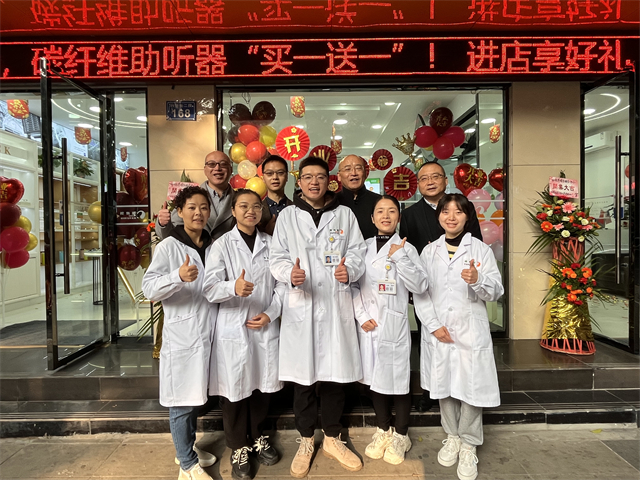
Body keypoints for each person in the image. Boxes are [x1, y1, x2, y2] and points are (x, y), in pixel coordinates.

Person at [269, 156, 367, 478]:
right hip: (303, 305)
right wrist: (289, 273)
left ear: (329, 181)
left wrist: (350, 270)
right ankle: (307, 439)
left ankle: (333, 438)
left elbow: (357, 252)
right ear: (299, 182)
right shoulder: (287, 216)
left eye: (320, 177)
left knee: (335, 378)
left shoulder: (345, 214)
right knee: (304, 380)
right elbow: (277, 257)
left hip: (335, 305)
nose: (314, 182)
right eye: (308, 177)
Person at [414, 193, 503, 480]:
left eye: (458, 212)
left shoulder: (481, 250)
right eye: (445, 211)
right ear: (438, 216)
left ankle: (469, 444)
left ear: (467, 217)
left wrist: (478, 280)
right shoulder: (429, 252)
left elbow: (496, 291)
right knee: (444, 385)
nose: (451, 217)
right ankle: (452, 436)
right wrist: (432, 325)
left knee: (471, 387)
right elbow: (420, 293)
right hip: (439, 330)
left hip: (469, 330)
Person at [203, 189, 285, 480]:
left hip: (263, 325)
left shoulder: (272, 244)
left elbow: (282, 286)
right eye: (244, 206)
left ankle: (258, 437)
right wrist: (232, 288)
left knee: (262, 387)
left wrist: (271, 313)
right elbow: (209, 288)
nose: (251, 211)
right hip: (233, 327)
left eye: (256, 207)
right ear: (233, 211)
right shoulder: (222, 245)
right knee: (235, 391)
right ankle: (238, 446)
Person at [142, 186, 217, 480]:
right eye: (192, 208)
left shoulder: (212, 245)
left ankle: (187, 449)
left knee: (196, 396)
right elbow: (149, 289)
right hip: (182, 335)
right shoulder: (169, 247)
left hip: (207, 333)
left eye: (203, 207)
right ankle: (187, 464)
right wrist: (177, 276)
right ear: (180, 212)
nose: (198, 213)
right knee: (182, 401)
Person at [399, 161, 483, 412]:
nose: (430, 182)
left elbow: (476, 242)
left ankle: (460, 388)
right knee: (430, 337)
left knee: (460, 341)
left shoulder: (463, 206)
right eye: (424, 178)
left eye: (435, 176)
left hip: (461, 285)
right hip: (427, 288)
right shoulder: (410, 214)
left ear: (446, 180)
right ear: (418, 184)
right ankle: (430, 392)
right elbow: (406, 250)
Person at [353, 195, 428, 465]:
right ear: (372, 218)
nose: (386, 216)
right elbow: (353, 285)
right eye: (380, 211)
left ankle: (401, 434)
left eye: (392, 211)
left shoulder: (408, 249)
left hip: (394, 323)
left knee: (398, 381)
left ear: (399, 217)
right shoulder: (361, 248)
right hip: (369, 324)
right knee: (375, 379)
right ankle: (383, 429)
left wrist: (399, 258)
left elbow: (420, 286)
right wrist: (361, 315)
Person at [156, 151, 235, 241]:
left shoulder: (239, 199)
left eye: (223, 164)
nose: (217, 168)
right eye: (211, 164)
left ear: (231, 169)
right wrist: (163, 224)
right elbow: (169, 235)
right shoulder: (190, 196)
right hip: (196, 249)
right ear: (205, 170)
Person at [337, 154, 381, 239]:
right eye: (347, 169)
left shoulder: (379, 201)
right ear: (339, 176)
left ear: (365, 173)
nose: (354, 173)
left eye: (358, 168)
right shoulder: (332, 202)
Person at [258, 155, 293, 235]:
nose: (275, 177)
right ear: (263, 178)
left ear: (287, 176)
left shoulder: (297, 209)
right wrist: (266, 233)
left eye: (280, 173)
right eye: (269, 173)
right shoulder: (256, 210)